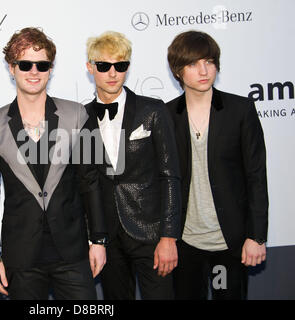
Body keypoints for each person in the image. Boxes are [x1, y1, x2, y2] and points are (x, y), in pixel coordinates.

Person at [0, 27, 107, 300]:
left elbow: (90, 181)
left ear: (50, 69)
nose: (34, 71)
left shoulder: (79, 115)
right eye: (25, 64)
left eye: (42, 64)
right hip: (21, 256)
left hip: (72, 252)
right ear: (11, 68)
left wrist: (98, 240)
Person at [166, 30, 268, 300]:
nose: (203, 70)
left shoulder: (240, 110)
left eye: (209, 61)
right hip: (185, 243)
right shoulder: (166, 115)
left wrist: (256, 236)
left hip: (229, 243)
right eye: (193, 63)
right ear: (178, 71)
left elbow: (256, 176)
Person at [84, 31, 181, 300]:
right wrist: (94, 239)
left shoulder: (152, 110)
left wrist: (169, 237)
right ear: (90, 67)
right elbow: (85, 183)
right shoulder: (82, 118)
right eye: (104, 66)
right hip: (108, 239)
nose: (112, 73)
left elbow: (170, 176)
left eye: (121, 65)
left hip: (151, 234)